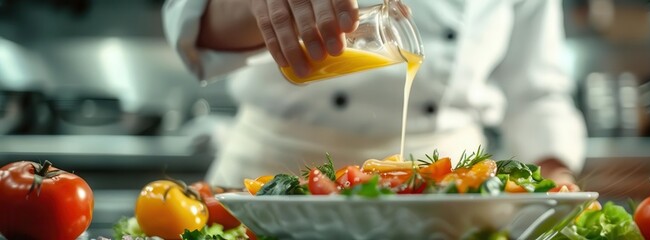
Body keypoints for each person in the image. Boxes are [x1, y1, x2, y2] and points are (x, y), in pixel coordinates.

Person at [162, 0, 587, 188]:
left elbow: (536, 89)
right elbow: (187, 23)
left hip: (449, 188)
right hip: (274, 171)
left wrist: (556, 184)